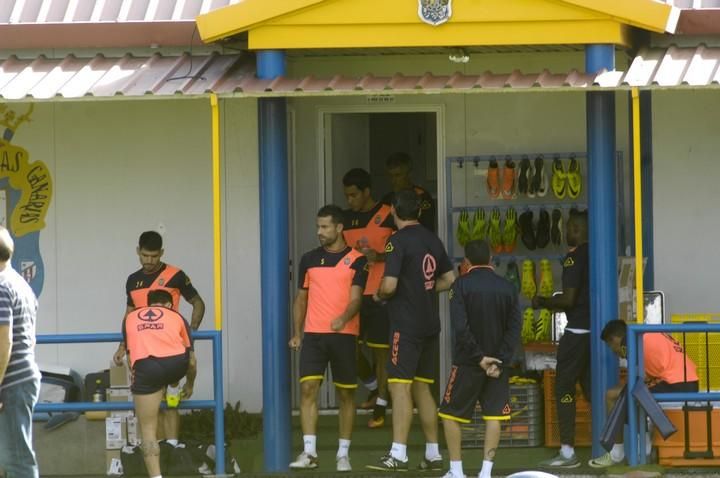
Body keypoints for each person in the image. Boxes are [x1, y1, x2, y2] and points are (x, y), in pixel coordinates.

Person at [367, 190, 456, 472]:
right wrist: (425, 290)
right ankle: (433, 454)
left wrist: (380, 296)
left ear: (394, 210)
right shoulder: (432, 238)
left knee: (399, 386)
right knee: (423, 388)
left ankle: (398, 454)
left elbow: (390, 285)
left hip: (405, 326)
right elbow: (450, 278)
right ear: (418, 211)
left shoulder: (396, 241)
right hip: (429, 324)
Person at [288, 205, 368, 472]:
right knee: (308, 389)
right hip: (313, 335)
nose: (319, 232)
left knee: (346, 394)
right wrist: (297, 333)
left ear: (339, 228)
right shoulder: (308, 259)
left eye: (324, 227)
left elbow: (356, 299)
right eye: (318, 227)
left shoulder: (358, 259)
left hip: (344, 335)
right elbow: (301, 298)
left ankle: (342, 453)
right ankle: (309, 452)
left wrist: (343, 318)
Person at [438, 240, 521, 478]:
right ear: (491, 258)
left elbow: (460, 328)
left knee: (450, 414)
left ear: (466, 262)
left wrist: (479, 358)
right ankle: (486, 472)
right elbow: (514, 328)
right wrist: (498, 360)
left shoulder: (460, 285)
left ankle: (457, 472)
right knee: (494, 416)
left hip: (468, 362)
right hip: (498, 364)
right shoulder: (508, 287)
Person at [113, 231, 205, 445]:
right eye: (145, 255)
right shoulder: (132, 280)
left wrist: (191, 331)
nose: (149, 261)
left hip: (170, 348)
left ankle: (172, 447)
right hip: (142, 350)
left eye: (154, 256)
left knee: (171, 399)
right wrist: (121, 346)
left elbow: (198, 302)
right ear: (138, 251)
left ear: (162, 253)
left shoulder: (176, 275)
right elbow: (129, 315)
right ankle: (155, 449)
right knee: (148, 403)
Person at [588, 319, 699, 468]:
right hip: (686, 380)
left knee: (619, 395)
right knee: (624, 394)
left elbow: (638, 379)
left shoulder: (630, 340)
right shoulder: (644, 334)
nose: (614, 352)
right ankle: (639, 448)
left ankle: (623, 452)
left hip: (676, 383)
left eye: (610, 346)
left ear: (615, 339)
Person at [532, 209, 589, 468]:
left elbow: (568, 299)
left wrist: (542, 301)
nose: (569, 232)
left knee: (564, 389)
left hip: (576, 333)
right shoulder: (598, 254)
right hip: (595, 334)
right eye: (569, 228)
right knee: (592, 391)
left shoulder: (573, 259)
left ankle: (567, 451)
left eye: (575, 228)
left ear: (586, 230)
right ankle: (619, 446)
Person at [341, 168, 395, 428]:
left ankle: (382, 406)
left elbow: (402, 253)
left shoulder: (387, 214)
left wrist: (380, 256)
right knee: (347, 347)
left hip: (380, 292)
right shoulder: (346, 219)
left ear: (366, 192)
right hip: (352, 292)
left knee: (381, 353)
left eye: (354, 195)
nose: (350, 200)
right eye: (347, 196)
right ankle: (374, 387)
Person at [123, 289, 197, 478]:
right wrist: (190, 384)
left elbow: (130, 358)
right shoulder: (177, 316)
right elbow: (191, 361)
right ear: (169, 305)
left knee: (147, 430)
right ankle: (173, 385)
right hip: (176, 364)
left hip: (147, 367)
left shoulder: (130, 318)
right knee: (175, 362)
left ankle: (156, 476)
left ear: (147, 304)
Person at [0, 226, 41, 477]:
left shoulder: (1, 287)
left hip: (11, 383)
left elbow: (4, 341)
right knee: (12, 453)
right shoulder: (20, 284)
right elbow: (30, 337)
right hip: (22, 378)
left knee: (17, 460)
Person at [381, 152, 436, 232]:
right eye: (390, 176)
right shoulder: (386, 200)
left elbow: (426, 229)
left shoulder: (422, 197)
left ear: (409, 174)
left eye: (397, 175)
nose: (393, 180)